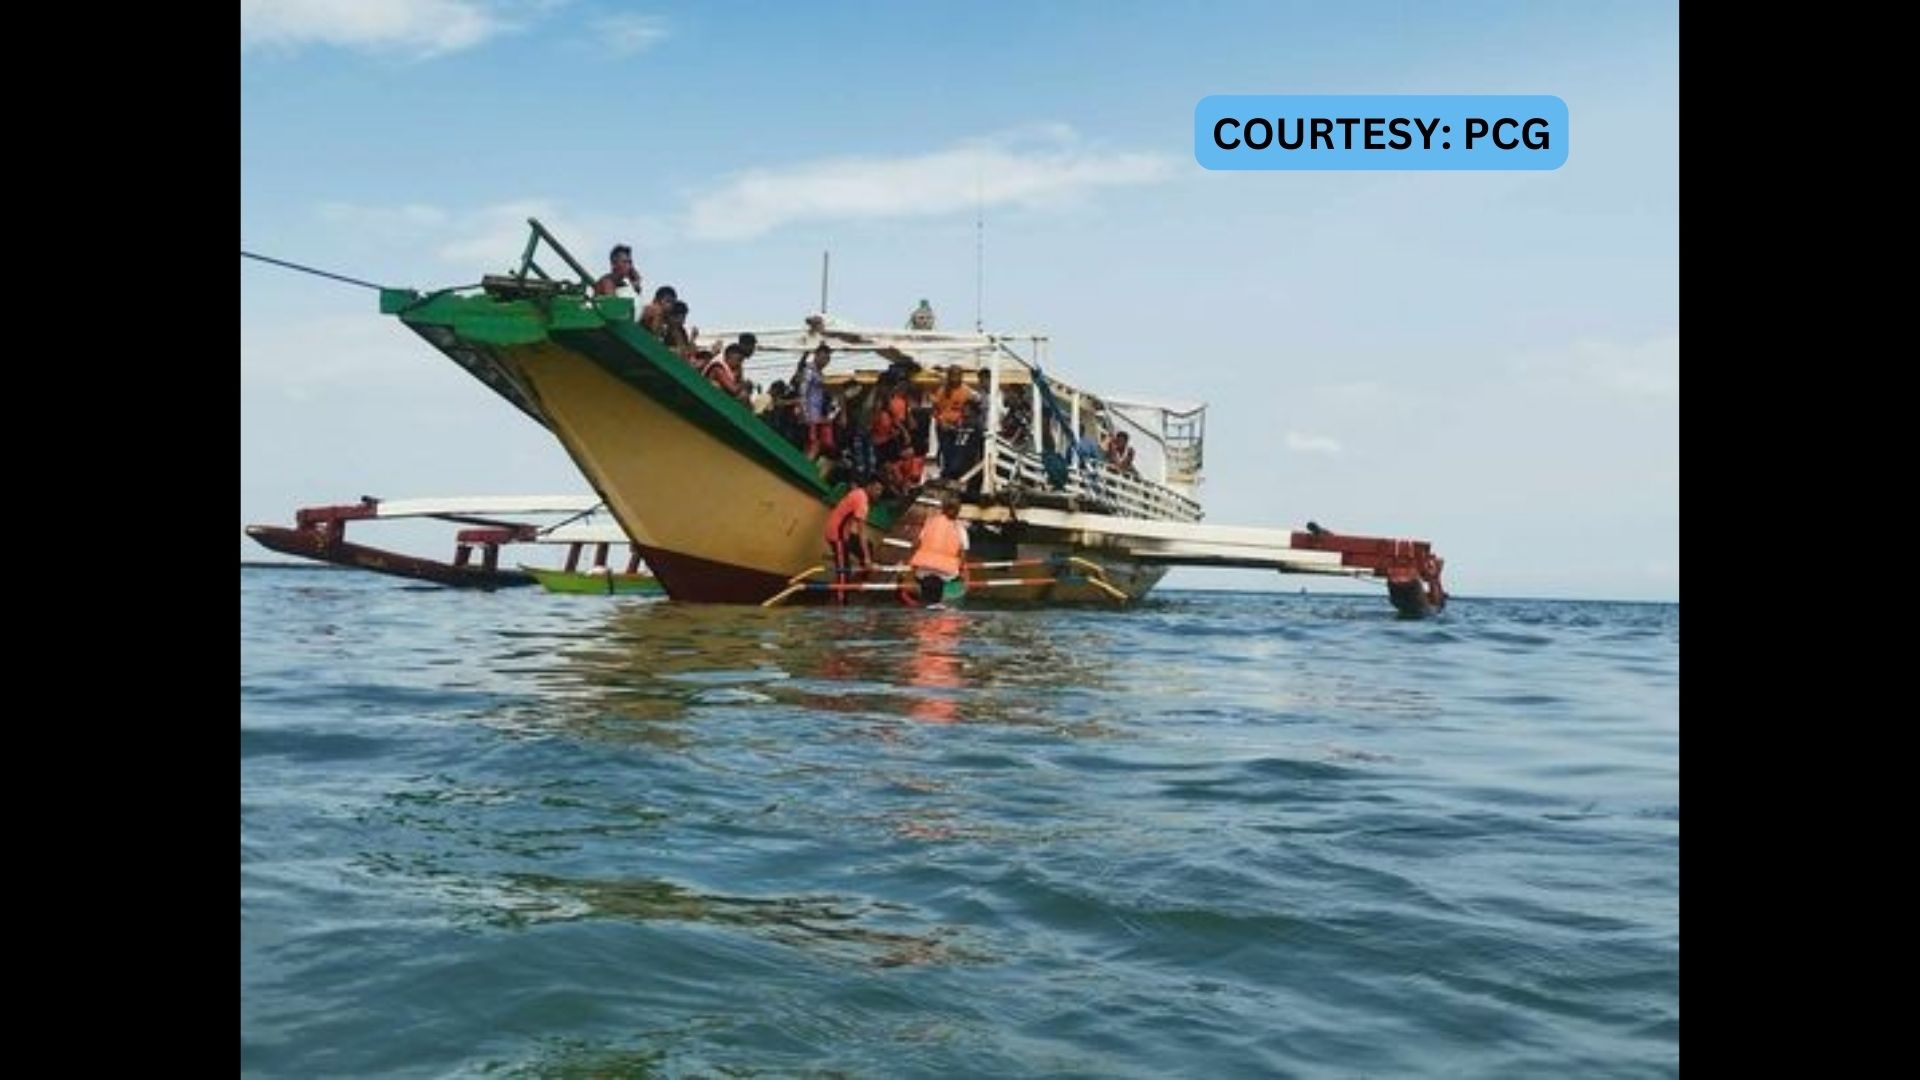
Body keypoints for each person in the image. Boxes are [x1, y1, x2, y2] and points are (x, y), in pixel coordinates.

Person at [824, 480, 884, 594]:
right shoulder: (862, 501)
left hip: (843, 533)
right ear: (869, 486)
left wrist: (866, 558)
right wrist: (867, 559)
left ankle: (861, 582)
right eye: (877, 489)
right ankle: (841, 604)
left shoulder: (859, 492)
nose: (878, 493)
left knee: (869, 546)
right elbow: (861, 532)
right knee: (844, 572)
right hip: (837, 535)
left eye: (880, 491)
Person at [909, 494, 968, 607]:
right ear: (955, 510)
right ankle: (939, 602)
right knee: (954, 576)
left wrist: (912, 567)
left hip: (923, 570)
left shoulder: (930, 523)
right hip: (946, 572)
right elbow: (963, 555)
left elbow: (916, 545)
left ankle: (925, 601)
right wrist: (962, 574)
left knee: (923, 580)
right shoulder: (959, 528)